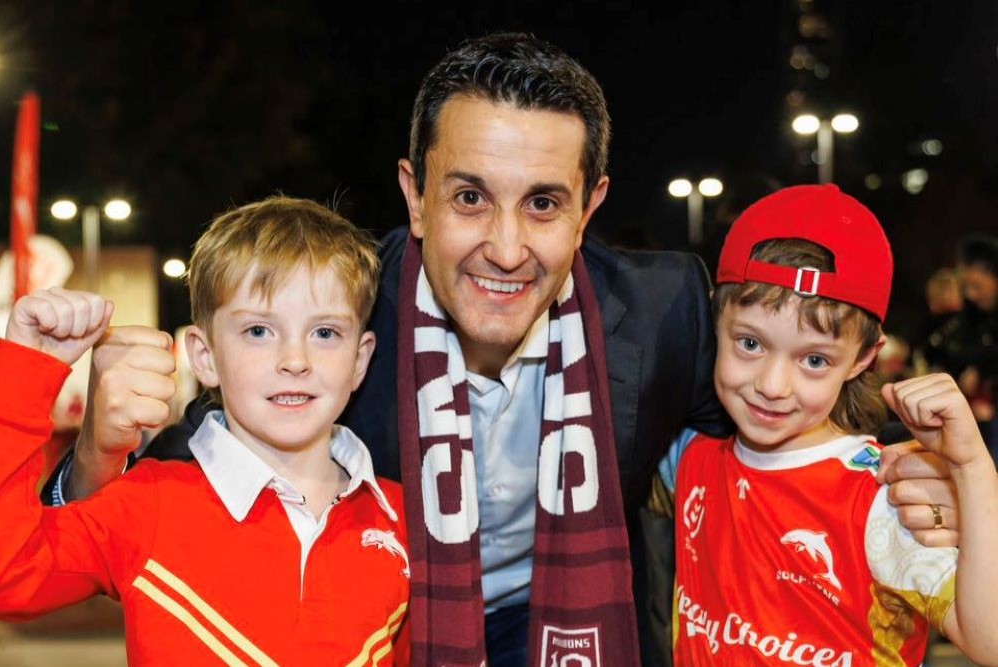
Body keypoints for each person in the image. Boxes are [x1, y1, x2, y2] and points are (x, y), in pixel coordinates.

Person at [47, 33, 959, 667]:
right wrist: (95, 451)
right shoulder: (326, 311)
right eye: (470, 197)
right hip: (395, 630)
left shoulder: (664, 307)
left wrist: (911, 474)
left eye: (544, 203)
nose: (508, 247)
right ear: (413, 194)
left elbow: (778, 418)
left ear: (591, 203)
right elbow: (137, 504)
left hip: (582, 630)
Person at [0, 197, 410, 665]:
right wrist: (27, 369)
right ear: (204, 356)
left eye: (325, 333)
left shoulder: (401, 518)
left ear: (360, 360)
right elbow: (10, 574)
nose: (295, 360)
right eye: (258, 331)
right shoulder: (149, 503)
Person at [666, 185, 998, 665]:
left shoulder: (883, 494)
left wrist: (972, 469)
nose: (773, 385)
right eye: (751, 344)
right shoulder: (687, 456)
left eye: (815, 359)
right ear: (716, 317)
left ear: (864, 358)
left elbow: (988, 642)